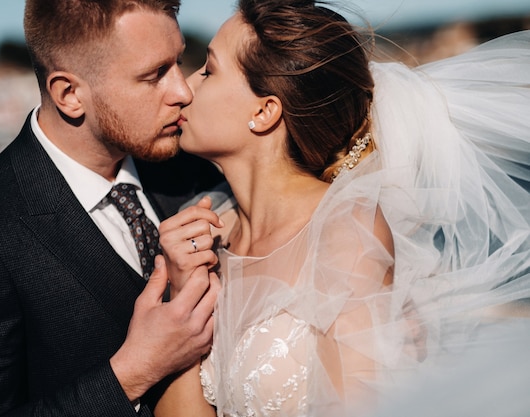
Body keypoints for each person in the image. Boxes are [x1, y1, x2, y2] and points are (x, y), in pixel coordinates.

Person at [152, 0, 530, 416]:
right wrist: (181, 298)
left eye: (209, 70)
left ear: (264, 112)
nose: (187, 85)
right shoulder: (204, 229)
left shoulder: (346, 234)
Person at [0, 0, 225, 416]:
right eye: (153, 76)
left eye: (178, 62)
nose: (182, 91)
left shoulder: (195, 169)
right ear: (70, 94)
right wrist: (131, 372)